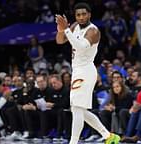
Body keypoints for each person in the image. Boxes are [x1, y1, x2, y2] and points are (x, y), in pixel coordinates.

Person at [55, 2, 120, 144]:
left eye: (84, 14)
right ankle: (108, 136)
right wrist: (61, 30)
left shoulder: (94, 31)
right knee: (78, 110)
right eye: (78, 15)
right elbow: (60, 41)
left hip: (86, 70)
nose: (81, 17)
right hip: (77, 70)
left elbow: (81, 47)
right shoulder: (74, 26)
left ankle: (73, 142)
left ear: (89, 14)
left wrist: (66, 30)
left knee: (77, 108)